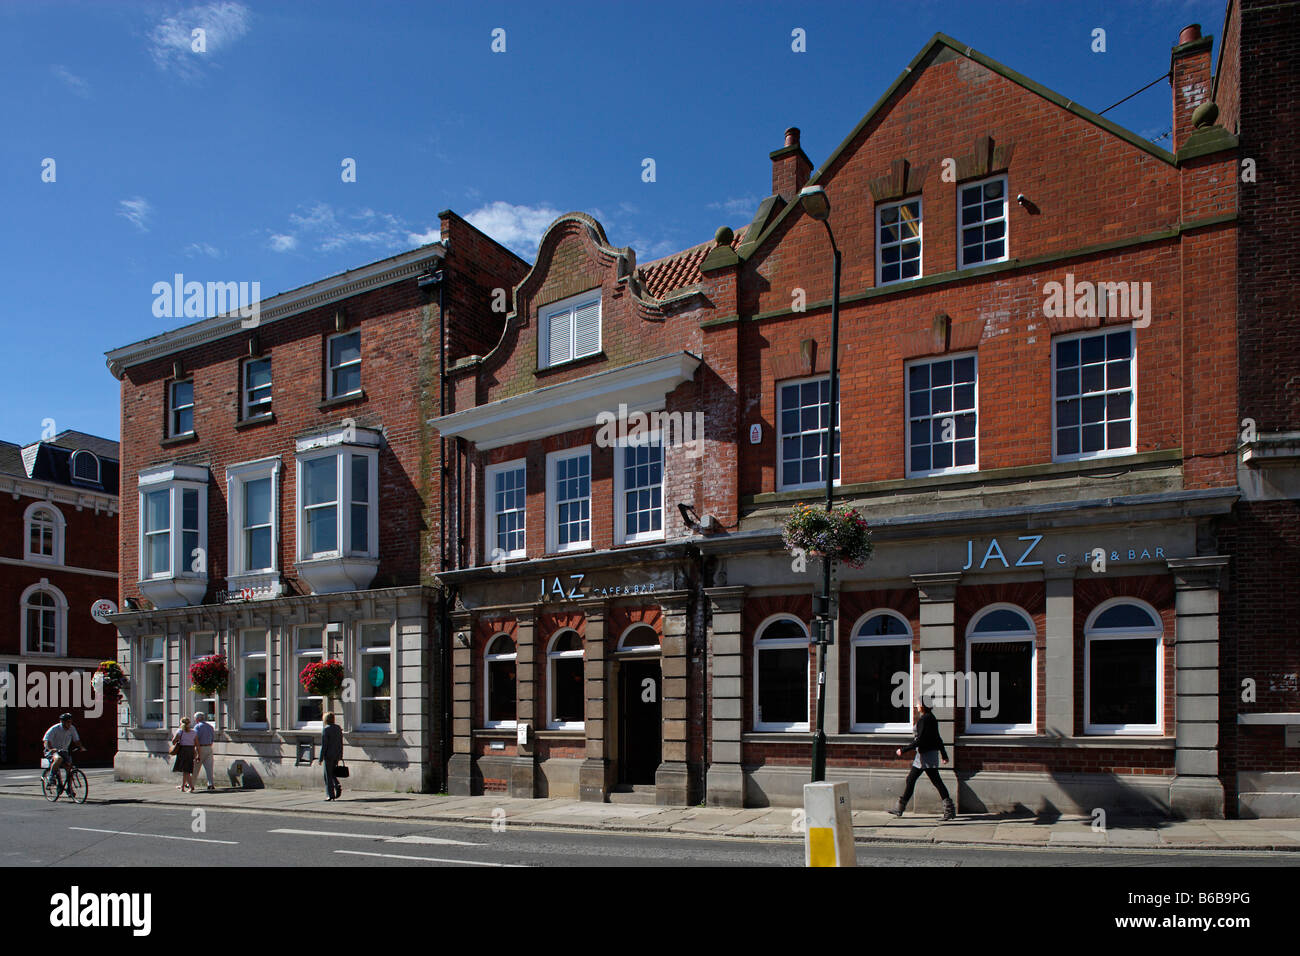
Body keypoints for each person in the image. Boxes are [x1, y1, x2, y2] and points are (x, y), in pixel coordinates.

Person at [889, 698, 956, 821]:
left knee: (936, 781)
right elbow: (938, 738)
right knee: (911, 779)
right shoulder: (931, 718)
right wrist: (944, 755)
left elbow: (920, 740)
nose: (917, 706)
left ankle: (949, 810)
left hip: (926, 756)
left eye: (918, 704)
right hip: (923, 755)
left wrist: (903, 750)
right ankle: (899, 808)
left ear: (923, 706)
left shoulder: (925, 719)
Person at [42, 713, 83, 795]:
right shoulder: (55, 728)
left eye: (70, 722)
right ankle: (51, 778)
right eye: (68, 722)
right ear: (62, 722)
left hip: (64, 751)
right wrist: (51, 749)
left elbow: (76, 740)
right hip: (52, 751)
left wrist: (81, 747)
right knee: (58, 759)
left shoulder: (72, 728)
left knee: (69, 768)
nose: (69, 724)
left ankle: (69, 788)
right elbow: (46, 740)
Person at [320, 711, 343, 800]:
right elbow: (340, 743)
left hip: (328, 755)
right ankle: (337, 785)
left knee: (327, 776)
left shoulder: (326, 729)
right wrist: (340, 755)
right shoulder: (338, 728)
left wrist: (321, 758)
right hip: (336, 755)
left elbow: (324, 745)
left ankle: (330, 795)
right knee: (332, 773)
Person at [172, 717, 197, 792]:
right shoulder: (193, 732)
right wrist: (196, 752)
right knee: (186, 769)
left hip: (183, 750)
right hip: (190, 750)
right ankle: (183, 786)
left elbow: (173, 741)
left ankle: (191, 787)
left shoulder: (180, 731)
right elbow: (196, 743)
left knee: (186, 770)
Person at [192, 711, 216, 791]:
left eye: (195, 718)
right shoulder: (210, 727)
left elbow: (195, 739)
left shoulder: (197, 727)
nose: (195, 720)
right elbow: (212, 739)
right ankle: (211, 784)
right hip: (209, 747)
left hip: (200, 748)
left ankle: (191, 784)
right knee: (209, 768)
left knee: (195, 767)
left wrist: (196, 750)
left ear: (198, 719)